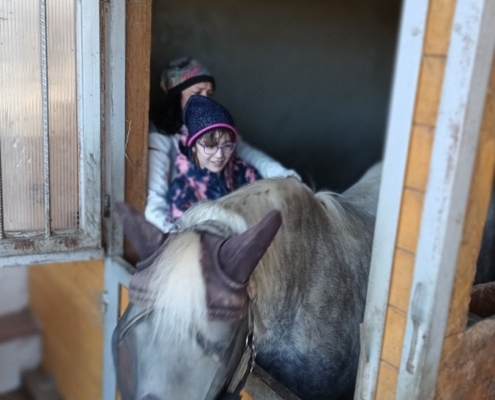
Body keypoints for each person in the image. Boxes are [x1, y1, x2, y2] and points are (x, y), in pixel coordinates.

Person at [146, 56, 300, 232]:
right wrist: (177, 236)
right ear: (176, 96)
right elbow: (155, 202)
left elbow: (244, 151)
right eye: (196, 93)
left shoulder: (216, 126)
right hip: (187, 223)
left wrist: (281, 174)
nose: (205, 100)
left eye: (209, 93)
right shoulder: (162, 135)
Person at [166, 95, 261, 222]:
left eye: (227, 145)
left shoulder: (245, 172)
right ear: (193, 146)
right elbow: (186, 239)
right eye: (210, 146)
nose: (219, 155)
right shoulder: (181, 191)